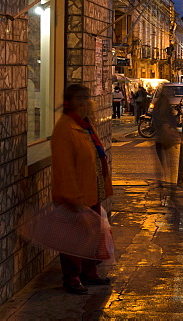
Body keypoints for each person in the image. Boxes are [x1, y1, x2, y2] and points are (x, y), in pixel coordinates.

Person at [50, 84, 113, 295]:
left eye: (87, 98)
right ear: (71, 101)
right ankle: (72, 278)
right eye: (81, 98)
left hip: (91, 189)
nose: (86, 102)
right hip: (75, 195)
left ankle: (89, 272)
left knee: (92, 234)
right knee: (73, 239)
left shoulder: (84, 125)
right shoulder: (65, 128)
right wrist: (72, 197)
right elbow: (64, 167)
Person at [150, 87, 180, 183]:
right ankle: (170, 180)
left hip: (159, 137)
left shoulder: (157, 106)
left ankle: (161, 180)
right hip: (166, 138)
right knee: (170, 161)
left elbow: (154, 120)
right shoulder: (166, 107)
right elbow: (172, 120)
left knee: (161, 161)